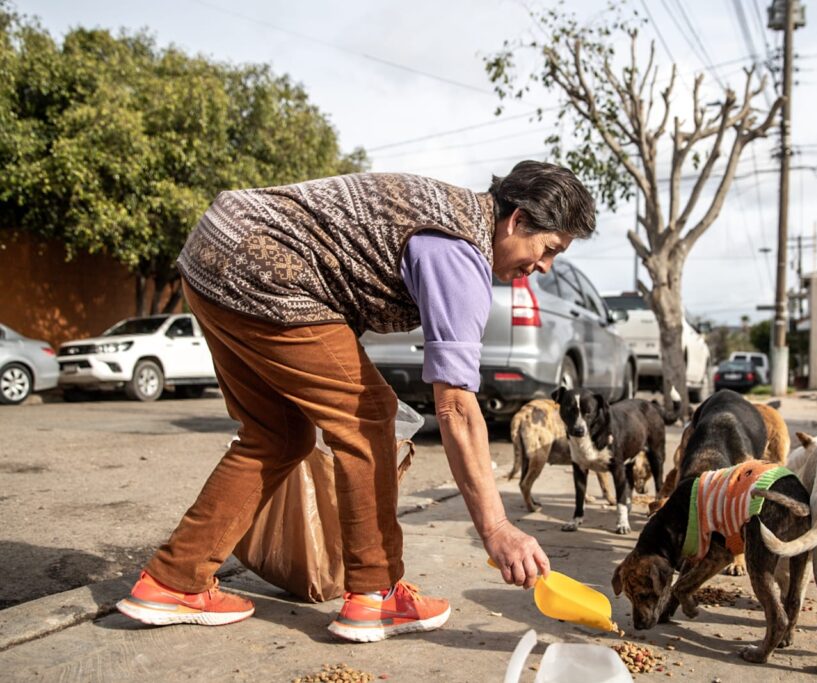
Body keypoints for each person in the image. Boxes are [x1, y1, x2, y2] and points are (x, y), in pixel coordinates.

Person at [115, 160, 596, 642]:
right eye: (548, 248)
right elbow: (456, 408)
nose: (543, 266)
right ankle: (376, 594)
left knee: (277, 435)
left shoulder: (453, 222)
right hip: (266, 266)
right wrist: (496, 528)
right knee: (368, 420)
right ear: (517, 221)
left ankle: (173, 581)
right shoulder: (459, 250)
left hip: (214, 249)